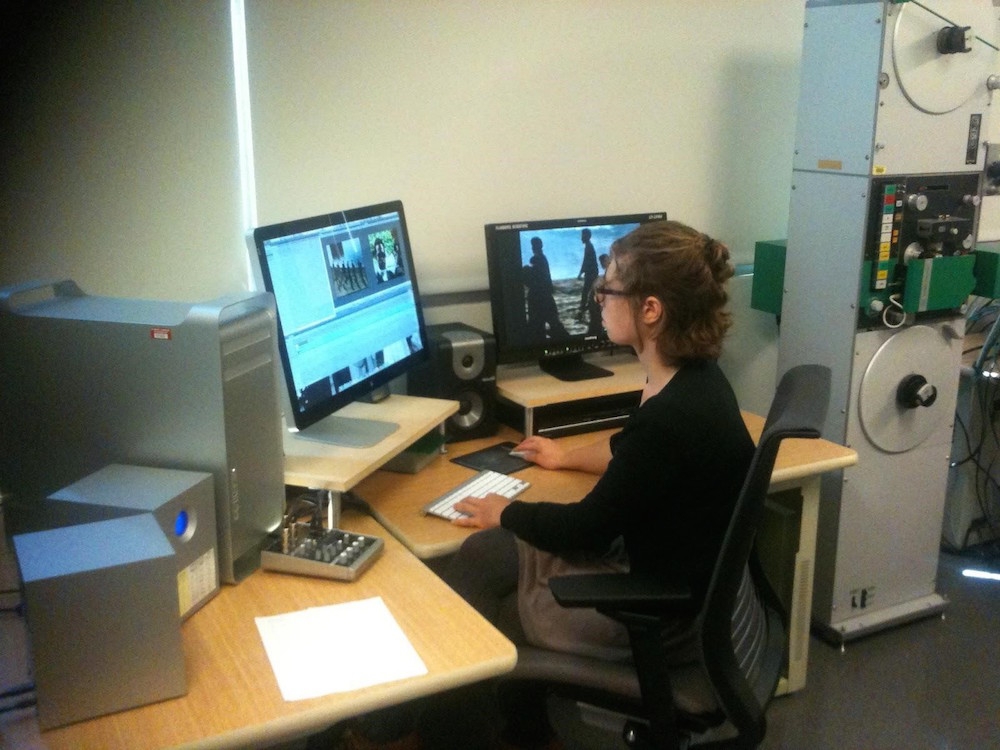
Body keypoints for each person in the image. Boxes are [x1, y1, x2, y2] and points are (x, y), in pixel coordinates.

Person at [440, 220, 754, 748]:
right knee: (480, 556)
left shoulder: (671, 415)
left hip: (652, 616)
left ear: (651, 309)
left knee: (485, 619)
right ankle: (515, 735)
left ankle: (446, 735)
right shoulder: (692, 380)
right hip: (665, 581)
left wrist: (507, 512)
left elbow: (587, 527)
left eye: (608, 288)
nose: (598, 298)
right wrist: (564, 457)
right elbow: (629, 457)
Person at [576, 227, 598, 321]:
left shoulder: (589, 247)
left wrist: (580, 273)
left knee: (585, 294)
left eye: (583, 236)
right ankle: (585, 313)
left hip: (591, 274)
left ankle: (582, 314)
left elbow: (586, 262)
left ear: (587, 236)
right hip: (591, 274)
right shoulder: (589, 246)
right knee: (589, 294)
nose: (581, 238)